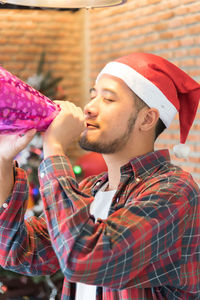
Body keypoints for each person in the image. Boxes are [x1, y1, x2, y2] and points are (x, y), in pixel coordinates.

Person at [0, 52, 199, 300]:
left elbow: (85, 259)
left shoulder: (174, 190)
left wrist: (55, 149)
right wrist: (3, 160)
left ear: (147, 119)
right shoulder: (90, 189)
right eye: (93, 95)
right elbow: (20, 251)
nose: (89, 107)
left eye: (108, 99)